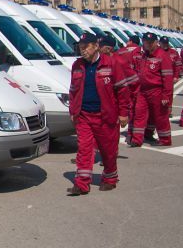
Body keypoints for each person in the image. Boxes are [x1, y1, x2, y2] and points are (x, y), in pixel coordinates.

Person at [67, 33, 132, 196]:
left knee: (108, 150)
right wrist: (73, 112)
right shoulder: (77, 65)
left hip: (105, 116)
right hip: (84, 115)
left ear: (96, 46)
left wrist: (124, 113)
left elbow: (122, 90)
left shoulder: (111, 63)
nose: (82, 51)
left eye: (85, 47)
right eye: (80, 48)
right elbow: (73, 91)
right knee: (84, 149)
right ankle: (81, 184)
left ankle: (110, 178)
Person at [129, 32, 174, 147]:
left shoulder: (162, 55)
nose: (147, 44)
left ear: (155, 42)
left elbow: (167, 77)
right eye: (145, 42)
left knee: (160, 116)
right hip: (142, 91)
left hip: (157, 90)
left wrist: (166, 95)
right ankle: (137, 139)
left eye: (149, 42)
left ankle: (165, 139)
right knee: (139, 114)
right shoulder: (145, 55)